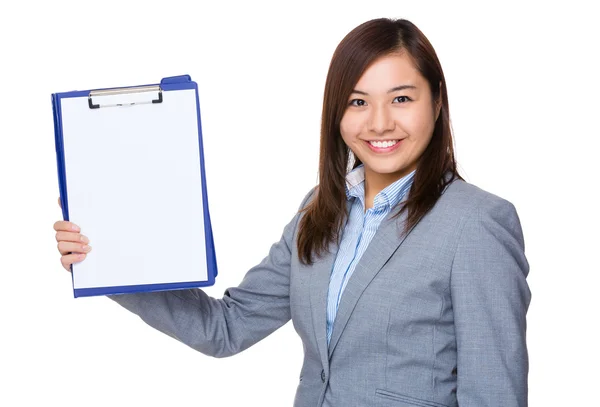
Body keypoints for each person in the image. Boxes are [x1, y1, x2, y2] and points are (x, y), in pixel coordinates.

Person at [53, 18, 531, 407]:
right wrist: (109, 256)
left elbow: (493, 395)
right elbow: (226, 327)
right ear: (336, 114)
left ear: (438, 102)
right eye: (358, 102)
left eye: (402, 99)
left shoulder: (476, 224)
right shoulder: (318, 210)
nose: (380, 122)